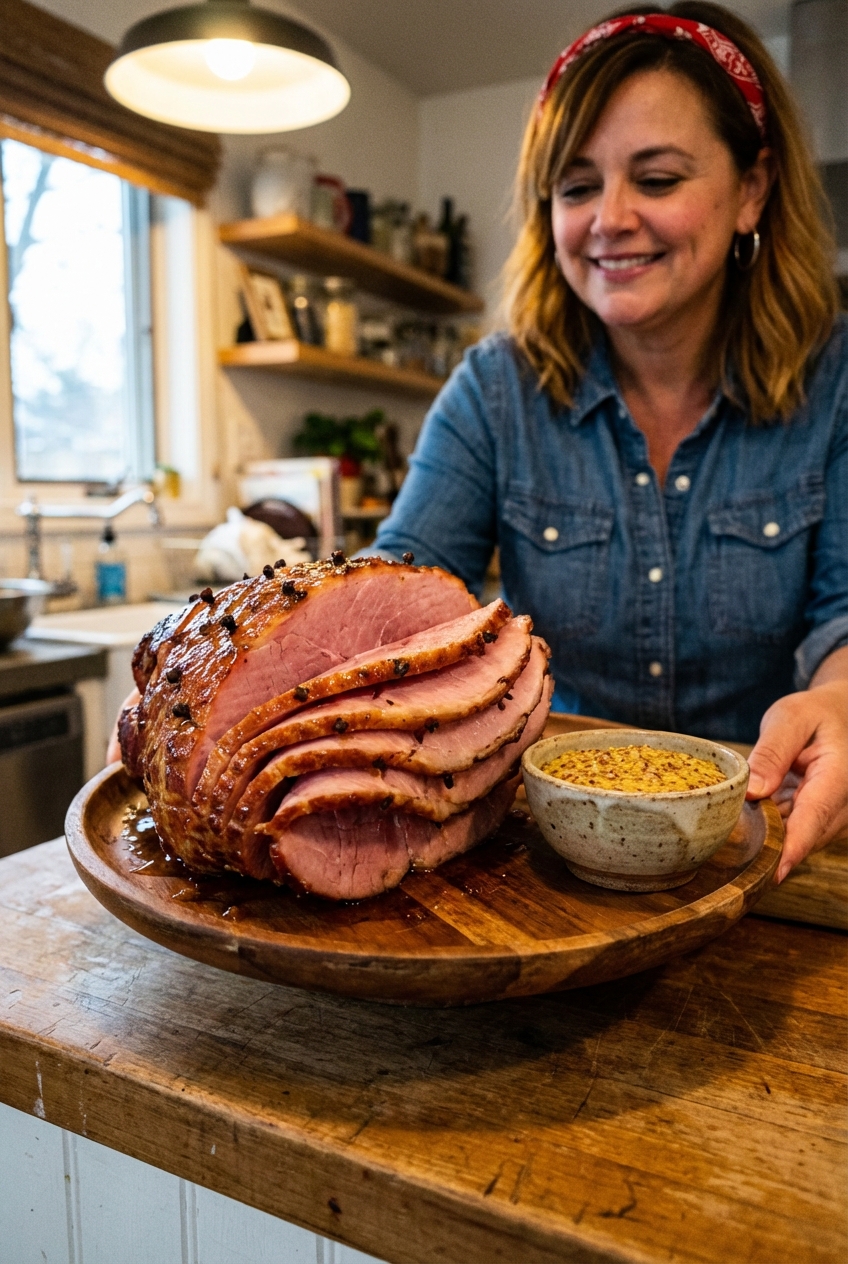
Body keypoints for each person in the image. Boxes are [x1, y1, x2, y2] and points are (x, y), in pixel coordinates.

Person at [372, 2, 847, 883]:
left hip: (756, 838)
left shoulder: (837, 381)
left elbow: (843, 614)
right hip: (542, 854)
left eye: (658, 179)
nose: (609, 220)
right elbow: (399, 590)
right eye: (577, 187)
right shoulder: (495, 389)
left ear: (752, 189)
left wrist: (841, 700)